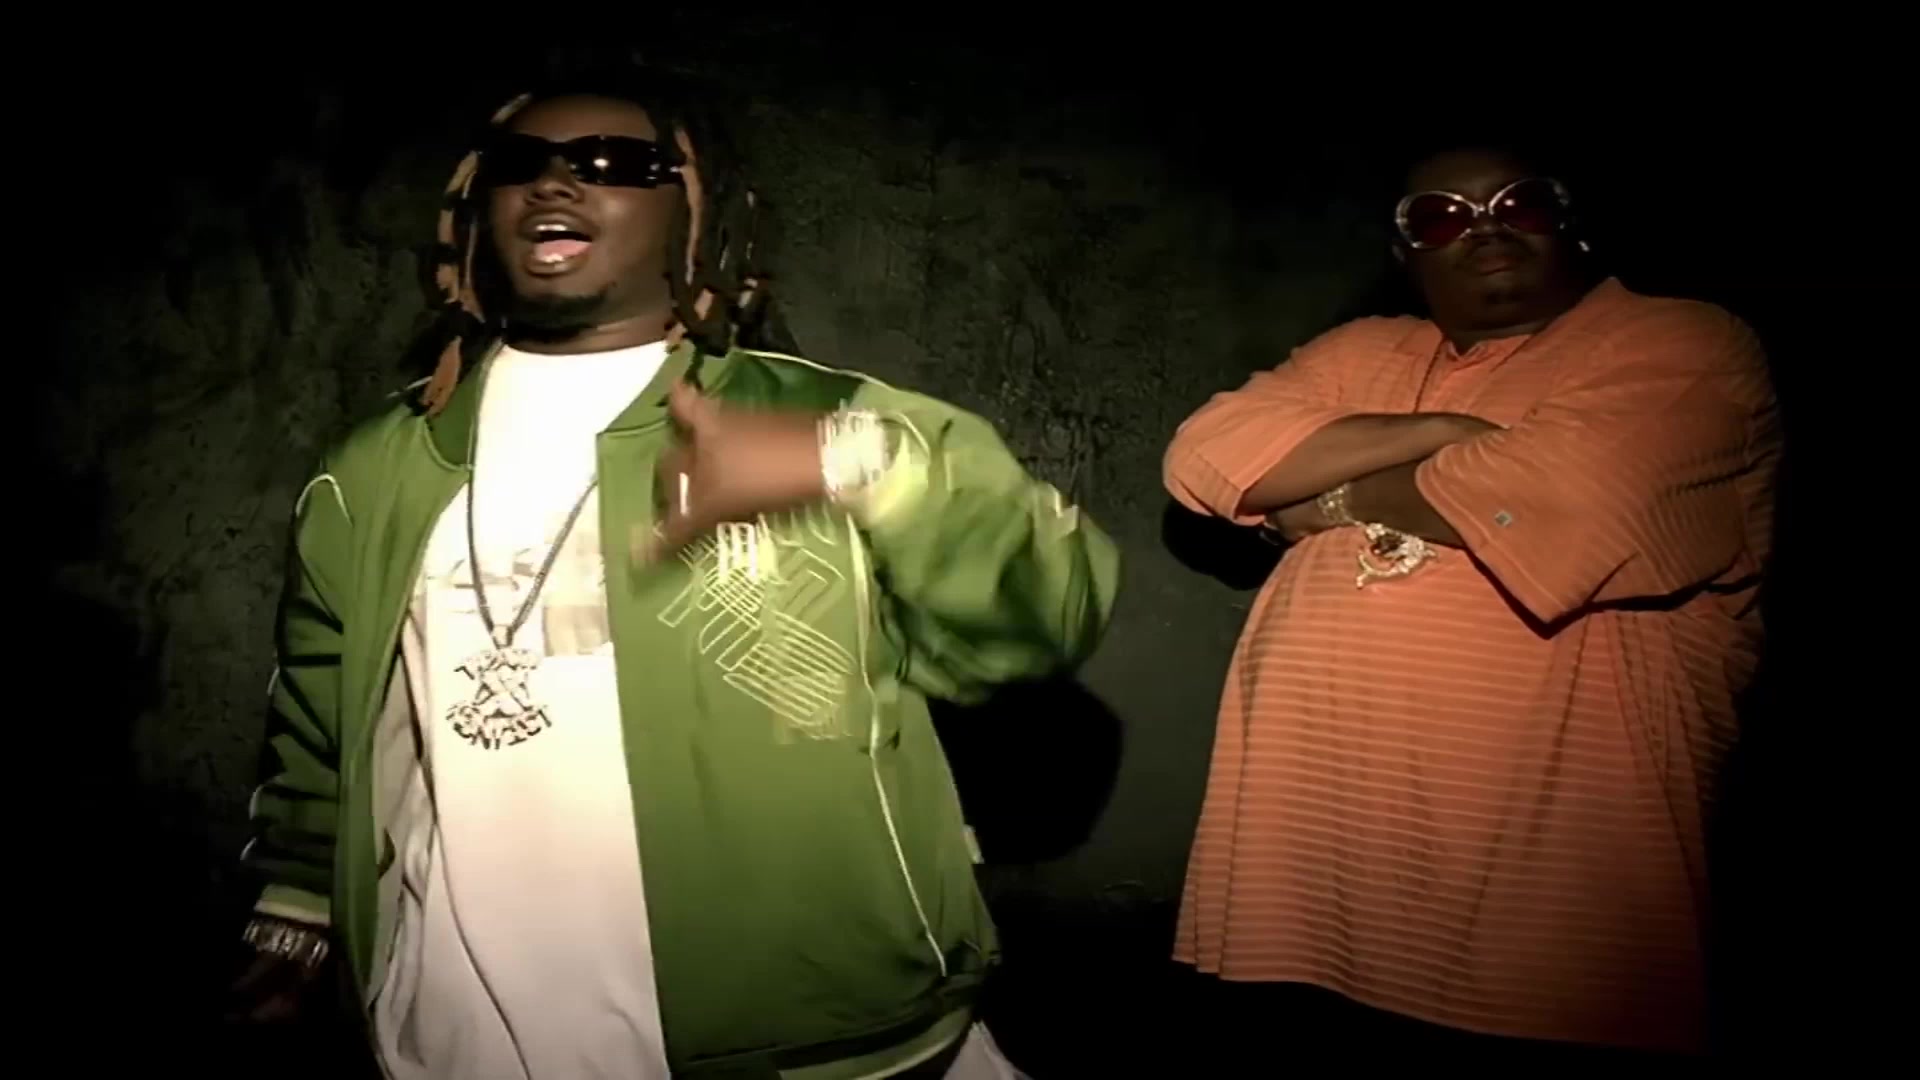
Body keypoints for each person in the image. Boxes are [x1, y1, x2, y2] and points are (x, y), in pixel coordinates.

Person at [229, 65, 1119, 1080]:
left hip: (810, 1033)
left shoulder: (831, 417)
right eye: (522, 164)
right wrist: (296, 908)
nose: (556, 183)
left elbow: (1048, 612)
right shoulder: (379, 463)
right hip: (458, 1030)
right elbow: (324, 711)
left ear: (694, 213)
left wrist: (855, 467)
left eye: (614, 162)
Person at [1163, 144, 1779, 1061]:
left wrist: (1331, 498)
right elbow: (1205, 457)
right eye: (1441, 216)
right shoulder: (1364, 351)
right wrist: (1447, 432)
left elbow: (1583, 496)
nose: (1484, 228)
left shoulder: (1682, 341)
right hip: (1309, 876)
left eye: (1517, 204)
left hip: (1549, 907)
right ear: (1406, 252)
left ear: (1567, 220)